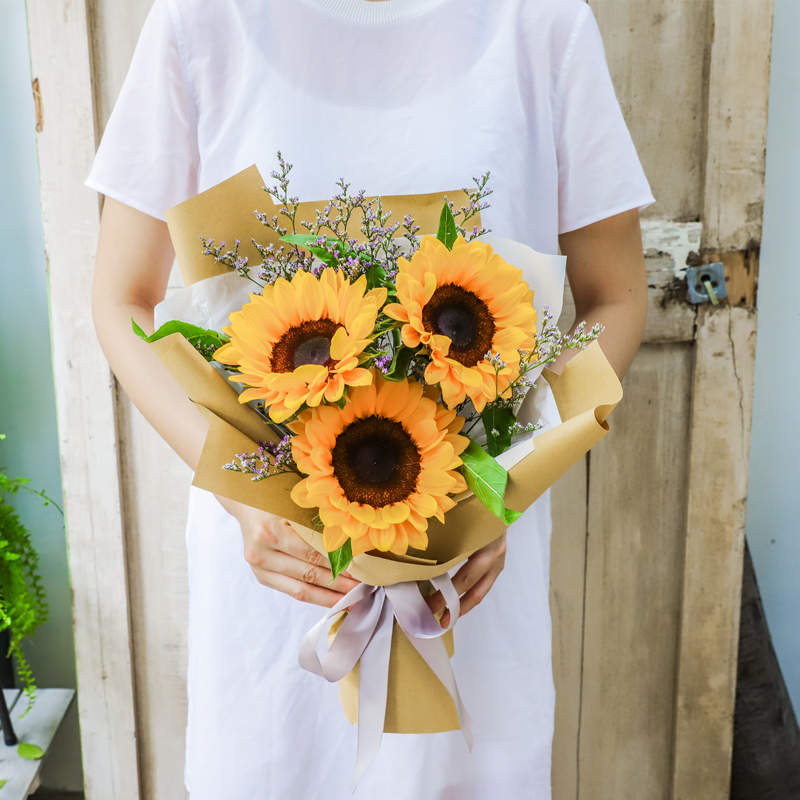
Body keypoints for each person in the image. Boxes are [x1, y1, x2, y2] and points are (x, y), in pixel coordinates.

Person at [87, 0, 654, 797]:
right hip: (280, 577)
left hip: (471, 582)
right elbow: (124, 299)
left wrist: (500, 491)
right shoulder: (197, 22)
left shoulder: (543, 24)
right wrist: (249, 495)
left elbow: (615, 295)